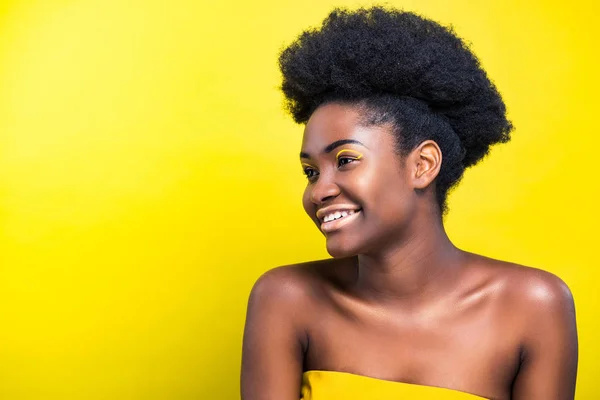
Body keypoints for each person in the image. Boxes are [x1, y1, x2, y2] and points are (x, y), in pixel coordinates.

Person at [241, 6, 578, 400]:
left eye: (345, 160)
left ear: (422, 165)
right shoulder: (285, 299)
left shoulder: (533, 307)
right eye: (311, 172)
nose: (318, 191)